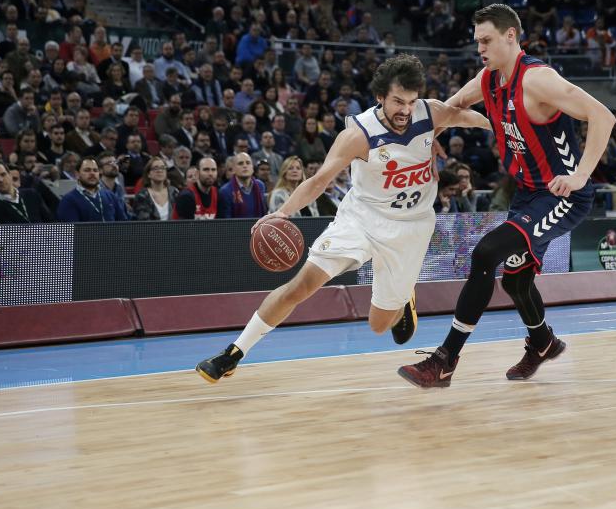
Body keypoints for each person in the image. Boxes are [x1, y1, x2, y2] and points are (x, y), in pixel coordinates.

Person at [196, 54, 490, 384]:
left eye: (410, 101)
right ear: (380, 96)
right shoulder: (358, 135)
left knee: (379, 326)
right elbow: (319, 180)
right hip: (361, 219)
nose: (405, 110)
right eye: (397, 101)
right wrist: (281, 212)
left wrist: (504, 126)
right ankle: (233, 353)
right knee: (302, 285)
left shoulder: (429, 113)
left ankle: (403, 298)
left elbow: (465, 115)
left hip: (411, 227)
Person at [395, 4, 614, 388]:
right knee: (515, 282)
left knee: (486, 253)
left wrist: (580, 175)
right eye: (477, 41)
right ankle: (543, 342)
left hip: (561, 196)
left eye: (486, 40)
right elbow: (451, 107)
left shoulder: (538, 80)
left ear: (510, 36)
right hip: (527, 194)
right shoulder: (487, 80)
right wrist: (430, 141)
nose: (480, 48)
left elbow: (603, 116)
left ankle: (445, 360)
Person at [56, 156, 130, 222]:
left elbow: (123, 225)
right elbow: (71, 233)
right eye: (87, 170)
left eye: (95, 170)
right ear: (77, 174)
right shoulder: (68, 200)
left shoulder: (111, 196)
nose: (92, 173)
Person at [217, 152, 268, 218]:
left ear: (252, 168)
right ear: (234, 169)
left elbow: (263, 213)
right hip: (236, 228)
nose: (245, 166)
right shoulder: (225, 191)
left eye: (248, 163)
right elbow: (226, 223)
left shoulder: (260, 186)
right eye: (240, 163)